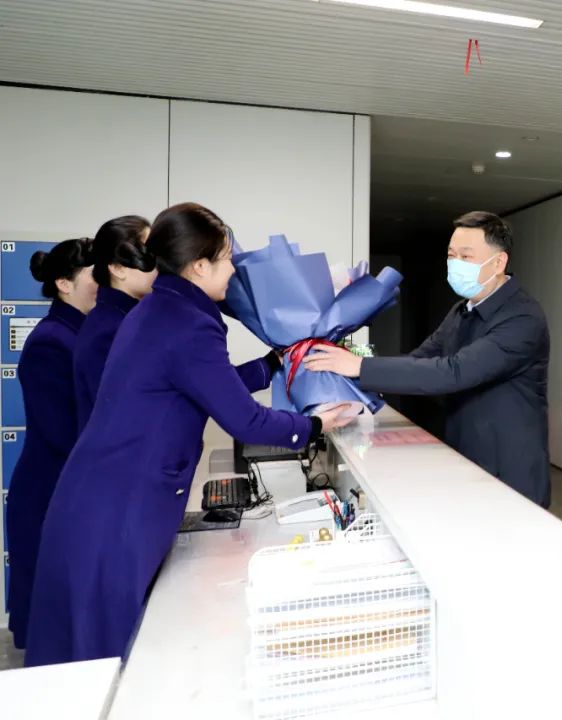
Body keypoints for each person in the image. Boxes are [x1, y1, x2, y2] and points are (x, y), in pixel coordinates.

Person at [24, 203, 351, 666]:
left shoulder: (162, 308)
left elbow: (203, 386)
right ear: (199, 266)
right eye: (226, 258)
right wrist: (315, 425)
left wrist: (276, 362)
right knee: (107, 658)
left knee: (95, 649)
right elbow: (246, 421)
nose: (233, 268)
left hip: (103, 496)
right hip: (118, 508)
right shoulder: (187, 323)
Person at [304, 211, 552, 506]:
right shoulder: (462, 310)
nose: (455, 264)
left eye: (466, 256)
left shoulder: (522, 318)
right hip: (466, 461)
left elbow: (453, 372)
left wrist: (360, 367)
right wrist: (349, 384)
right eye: (451, 255)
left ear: (498, 263)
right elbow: (420, 359)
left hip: (510, 472)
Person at [5, 238, 96, 650]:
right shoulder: (50, 341)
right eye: (95, 274)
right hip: (49, 494)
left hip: (72, 488)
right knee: (52, 630)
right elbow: (63, 432)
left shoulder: (85, 332)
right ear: (63, 282)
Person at [73, 215, 157, 431]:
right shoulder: (107, 331)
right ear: (118, 268)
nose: (159, 266)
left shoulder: (133, 320)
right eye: (148, 255)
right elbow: (120, 417)